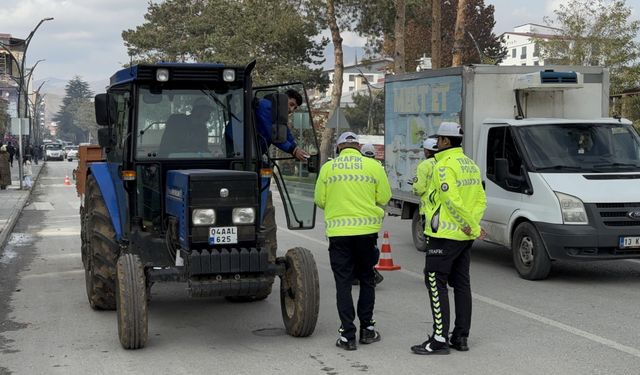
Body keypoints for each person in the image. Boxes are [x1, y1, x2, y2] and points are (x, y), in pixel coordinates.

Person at [411, 122, 486, 355]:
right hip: (464, 236)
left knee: (435, 281)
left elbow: (451, 200)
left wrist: (468, 225)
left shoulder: (444, 166)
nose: (437, 143)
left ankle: (439, 339)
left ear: (444, 141)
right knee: (462, 284)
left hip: (445, 234)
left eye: (439, 139)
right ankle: (461, 337)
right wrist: (472, 227)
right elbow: (480, 199)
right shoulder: (471, 165)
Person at [314, 131, 391, 351]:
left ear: (338, 148)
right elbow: (384, 198)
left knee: (343, 283)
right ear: (357, 146)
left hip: (339, 235)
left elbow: (320, 200)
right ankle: (368, 329)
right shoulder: (373, 167)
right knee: (367, 280)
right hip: (367, 234)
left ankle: (347, 335)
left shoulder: (328, 168)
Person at [255, 88, 309, 161]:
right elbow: (274, 134)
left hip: (255, 153)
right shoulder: (266, 107)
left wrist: (296, 147)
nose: (292, 110)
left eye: (295, 108)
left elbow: (285, 132)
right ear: (283, 99)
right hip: (246, 152)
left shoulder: (278, 113)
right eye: (291, 104)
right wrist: (294, 150)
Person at [411, 138, 438, 252]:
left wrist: (414, 187)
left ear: (427, 151)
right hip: (442, 206)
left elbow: (419, 188)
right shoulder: (443, 162)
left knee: (428, 231)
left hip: (428, 206)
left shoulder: (424, 165)